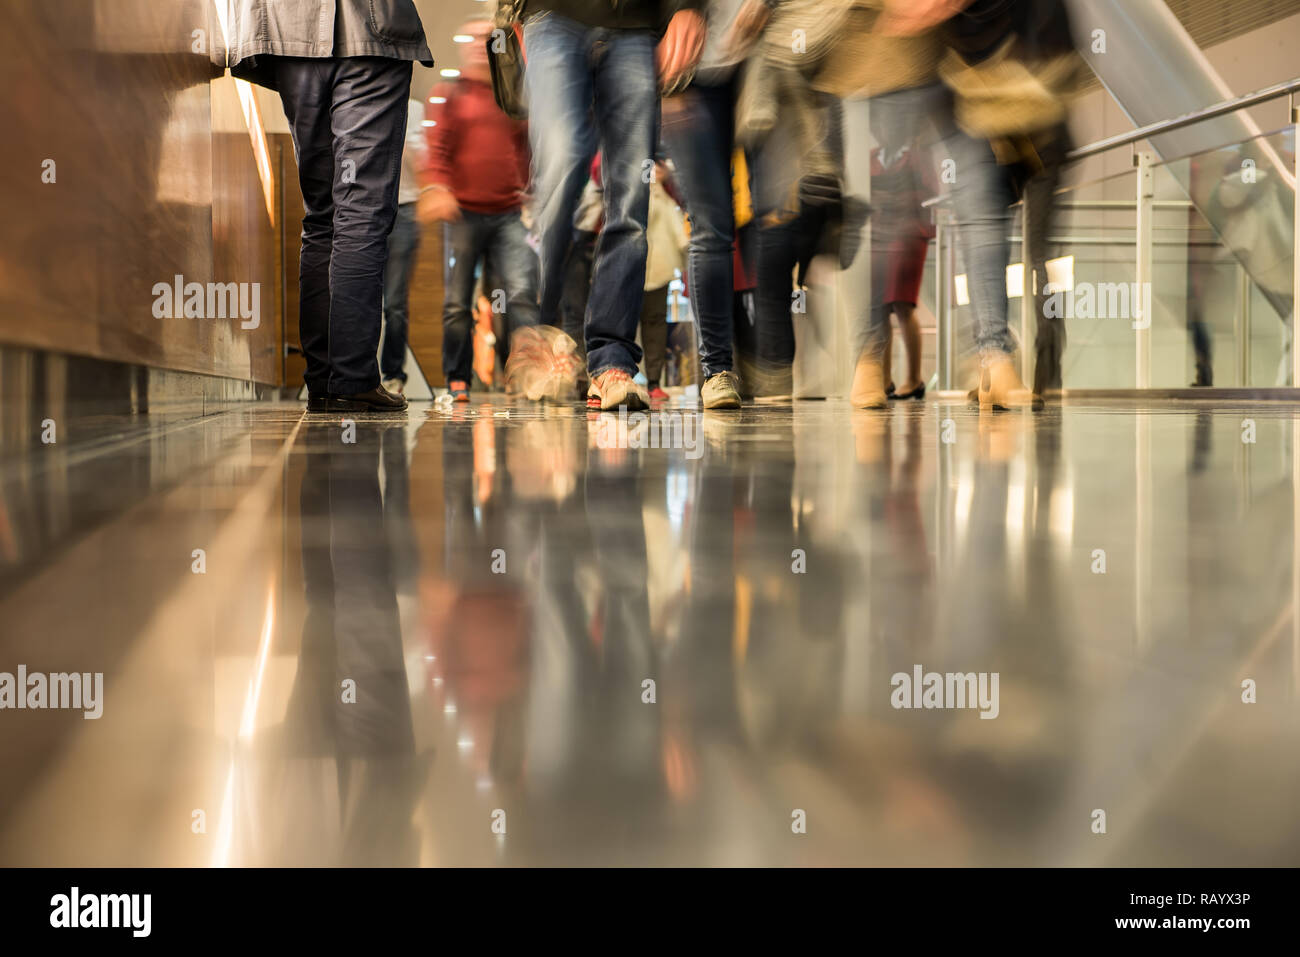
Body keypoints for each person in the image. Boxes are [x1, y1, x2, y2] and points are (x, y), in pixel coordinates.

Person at [216, 0, 433, 413]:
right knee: (361, 212)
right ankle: (351, 379)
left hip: (287, 31)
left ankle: (323, 381)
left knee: (323, 217)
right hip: (369, 29)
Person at [516, 0, 707, 411]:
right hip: (551, 17)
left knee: (630, 199)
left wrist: (687, 6)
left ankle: (611, 360)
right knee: (562, 166)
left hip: (637, 24)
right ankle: (542, 334)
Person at [418, 18, 540, 404]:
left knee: (519, 296)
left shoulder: (513, 96)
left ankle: (523, 377)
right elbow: (436, 149)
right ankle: (457, 379)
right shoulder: (449, 95)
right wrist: (438, 186)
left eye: (485, 40)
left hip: (508, 215)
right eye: (470, 39)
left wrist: (532, 191)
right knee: (458, 303)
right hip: (464, 215)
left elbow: (528, 150)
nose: (476, 45)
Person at [660, 0, 748, 410]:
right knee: (712, 223)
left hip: (765, 61)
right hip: (689, 70)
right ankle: (717, 370)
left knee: (770, 219)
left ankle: (766, 362)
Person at [380, 97, 429, 396]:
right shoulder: (366, 98)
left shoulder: (415, 108)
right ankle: (356, 373)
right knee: (359, 296)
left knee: (394, 304)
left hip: (407, 209)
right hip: (368, 206)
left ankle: (393, 375)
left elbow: (421, 161)